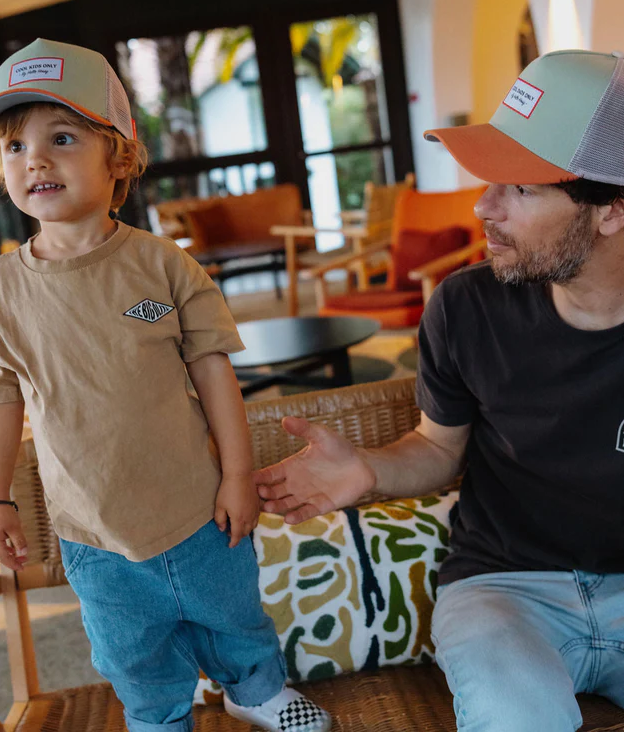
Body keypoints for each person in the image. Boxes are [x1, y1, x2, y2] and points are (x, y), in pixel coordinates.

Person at [0, 38, 331, 732]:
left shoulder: (162, 266)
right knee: (129, 649)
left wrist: (237, 475)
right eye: (13, 146)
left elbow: (214, 372)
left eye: (61, 137)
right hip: (91, 526)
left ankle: (253, 690)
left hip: (197, 506)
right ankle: (158, 718)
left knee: (234, 613)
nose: (35, 159)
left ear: (119, 156)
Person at [254, 49, 624, 732]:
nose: (483, 205)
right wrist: (369, 470)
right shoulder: (465, 306)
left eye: (520, 188)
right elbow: (438, 448)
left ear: (610, 210)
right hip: (505, 588)